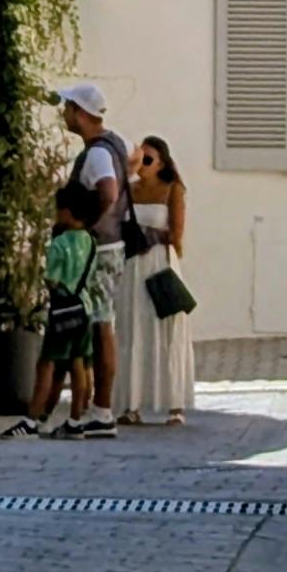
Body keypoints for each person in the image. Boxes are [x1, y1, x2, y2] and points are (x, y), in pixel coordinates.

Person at [57, 81, 129, 422]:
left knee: (100, 326)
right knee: (100, 323)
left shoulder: (98, 153)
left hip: (99, 248)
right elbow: (134, 163)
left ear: (81, 113)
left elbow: (109, 192)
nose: (64, 113)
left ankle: (101, 409)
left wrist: (87, 224)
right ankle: (95, 407)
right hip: (111, 243)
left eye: (68, 107)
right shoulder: (116, 143)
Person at [113, 135, 197, 426]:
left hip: (160, 261)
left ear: (161, 163)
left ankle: (174, 404)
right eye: (140, 158)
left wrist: (151, 235)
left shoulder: (172, 188)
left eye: (148, 159)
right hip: (133, 263)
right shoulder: (129, 189)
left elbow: (176, 233)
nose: (143, 164)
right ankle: (131, 403)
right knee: (132, 328)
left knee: (165, 329)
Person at [6, 192, 101, 437]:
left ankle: (31, 420)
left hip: (63, 312)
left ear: (67, 211)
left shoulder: (60, 243)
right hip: (84, 308)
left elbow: (51, 279)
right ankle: (75, 421)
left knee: (46, 364)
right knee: (78, 363)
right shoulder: (91, 242)